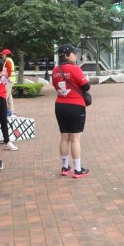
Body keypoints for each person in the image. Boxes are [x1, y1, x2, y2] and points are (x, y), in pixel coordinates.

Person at [52, 44, 91, 178]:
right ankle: (78, 169)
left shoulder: (55, 70)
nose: (76, 56)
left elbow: (55, 85)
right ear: (67, 55)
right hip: (75, 105)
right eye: (74, 53)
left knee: (64, 137)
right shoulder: (75, 69)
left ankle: (64, 167)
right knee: (75, 139)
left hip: (60, 105)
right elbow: (86, 86)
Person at [0, 48, 15, 115]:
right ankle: (11, 110)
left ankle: (5, 110)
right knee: (9, 95)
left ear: (5, 55)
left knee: (6, 95)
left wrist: (7, 77)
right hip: (10, 79)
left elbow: (8, 70)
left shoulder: (8, 61)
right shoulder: (9, 60)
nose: (2, 56)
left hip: (8, 80)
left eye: (2, 54)